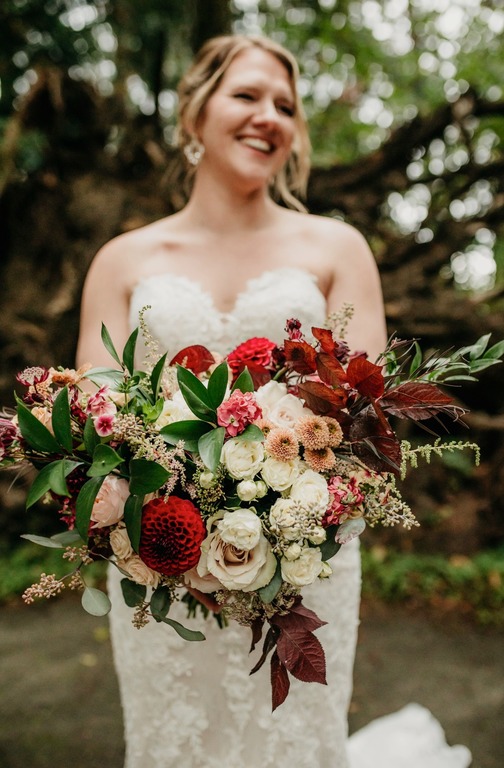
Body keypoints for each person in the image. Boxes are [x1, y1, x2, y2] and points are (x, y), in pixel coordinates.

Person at [76, 34, 471, 768]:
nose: (270, 117)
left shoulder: (337, 249)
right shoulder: (123, 260)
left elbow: (366, 424)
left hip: (302, 564)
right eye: (247, 96)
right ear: (194, 114)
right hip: (156, 565)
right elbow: (91, 431)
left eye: (285, 105)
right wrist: (155, 524)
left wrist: (293, 522)